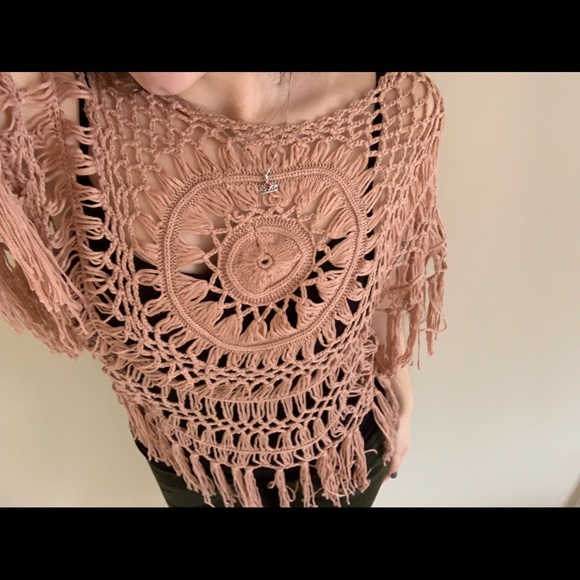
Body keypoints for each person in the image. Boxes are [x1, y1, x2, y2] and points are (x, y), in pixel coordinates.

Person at [0, 72, 447, 507]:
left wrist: (397, 381)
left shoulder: (396, 107)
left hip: (350, 441)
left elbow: (385, 278)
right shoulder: (61, 114)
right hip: (191, 466)